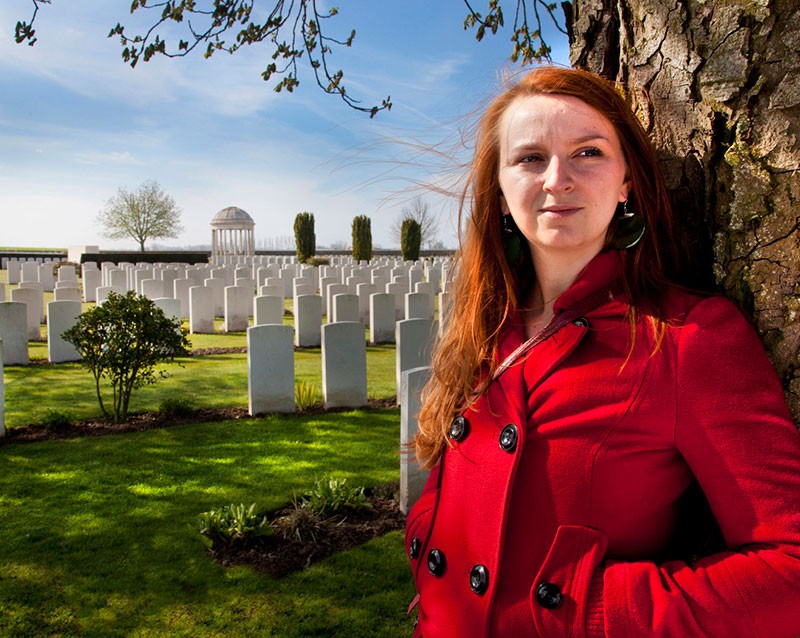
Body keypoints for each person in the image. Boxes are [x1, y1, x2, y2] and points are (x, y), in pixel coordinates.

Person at [404, 66, 800, 638]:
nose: (557, 178)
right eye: (530, 158)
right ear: (500, 189)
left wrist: (588, 611)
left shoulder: (688, 338)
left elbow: (789, 565)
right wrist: (426, 537)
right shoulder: (485, 328)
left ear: (626, 182)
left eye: (587, 152)